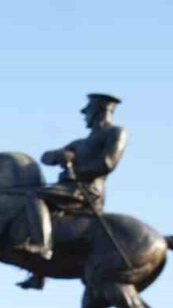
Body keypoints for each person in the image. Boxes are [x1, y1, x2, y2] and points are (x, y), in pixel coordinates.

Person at [18, 93, 128, 290]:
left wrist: (75, 168)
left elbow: (107, 163)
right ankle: (39, 272)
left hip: (87, 191)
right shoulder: (79, 143)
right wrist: (58, 155)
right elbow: (46, 157)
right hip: (67, 189)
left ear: (100, 111)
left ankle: (42, 247)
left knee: (35, 196)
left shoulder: (115, 132)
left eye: (88, 111)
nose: (84, 115)